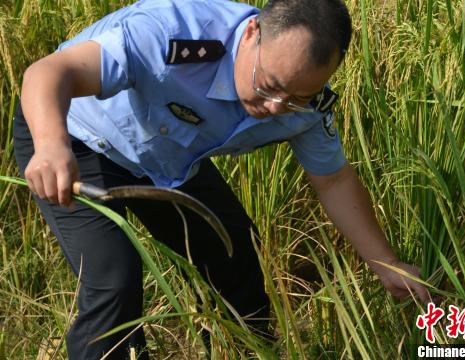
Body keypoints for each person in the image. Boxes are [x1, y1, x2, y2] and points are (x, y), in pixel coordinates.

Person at [13, 0, 430, 358]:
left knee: (237, 256)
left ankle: (249, 351)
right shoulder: (170, 34)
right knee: (114, 283)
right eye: (268, 85)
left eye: (296, 97)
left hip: (169, 163)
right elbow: (48, 73)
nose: (273, 106)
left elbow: (334, 180)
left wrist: (387, 264)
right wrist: (51, 145)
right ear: (251, 33)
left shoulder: (306, 108)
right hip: (73, 139)